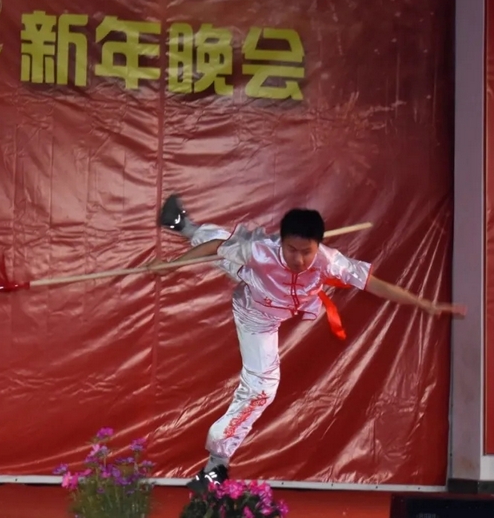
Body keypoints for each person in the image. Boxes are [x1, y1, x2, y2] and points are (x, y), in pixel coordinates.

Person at [149, 194, 466, 494]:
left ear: (319, 245)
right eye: (291, 250)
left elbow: (374, 284)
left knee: (232, 254)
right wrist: (171, 264)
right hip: (255, 313)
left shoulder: (330, 261)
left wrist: (425, 304)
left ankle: (182, 224)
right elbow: (217, 246)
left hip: (276, 304)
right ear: (281, 242)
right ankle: (217, 463)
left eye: (306, 251)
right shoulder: (261, 251)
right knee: (262, 387)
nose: (299, 259)